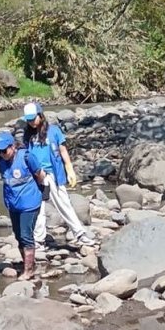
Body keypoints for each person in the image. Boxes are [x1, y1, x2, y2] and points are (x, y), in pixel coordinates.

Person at [23, 102, 97, 248]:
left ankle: (79, 234)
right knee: (39, 209)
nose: (31, 122)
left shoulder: (54, 131)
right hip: (37, 176)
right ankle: (39, 240)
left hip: (53, 175)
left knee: (65, 205)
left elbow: (63, 150)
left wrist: (69, 169)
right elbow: (26, 155)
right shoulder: (28, 134)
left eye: (33, 118)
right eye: (28, 120)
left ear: (40, 115)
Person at [0, 131, 47, 280]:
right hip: (13, 205)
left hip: (29, 204)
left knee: (26, 235)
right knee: (18, 236)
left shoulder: (26, 157)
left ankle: (29, 270)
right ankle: (28, 263)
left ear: (12, 146)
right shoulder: (2, 161)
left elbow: (40, 175)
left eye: (4, 150)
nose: (2, 154)